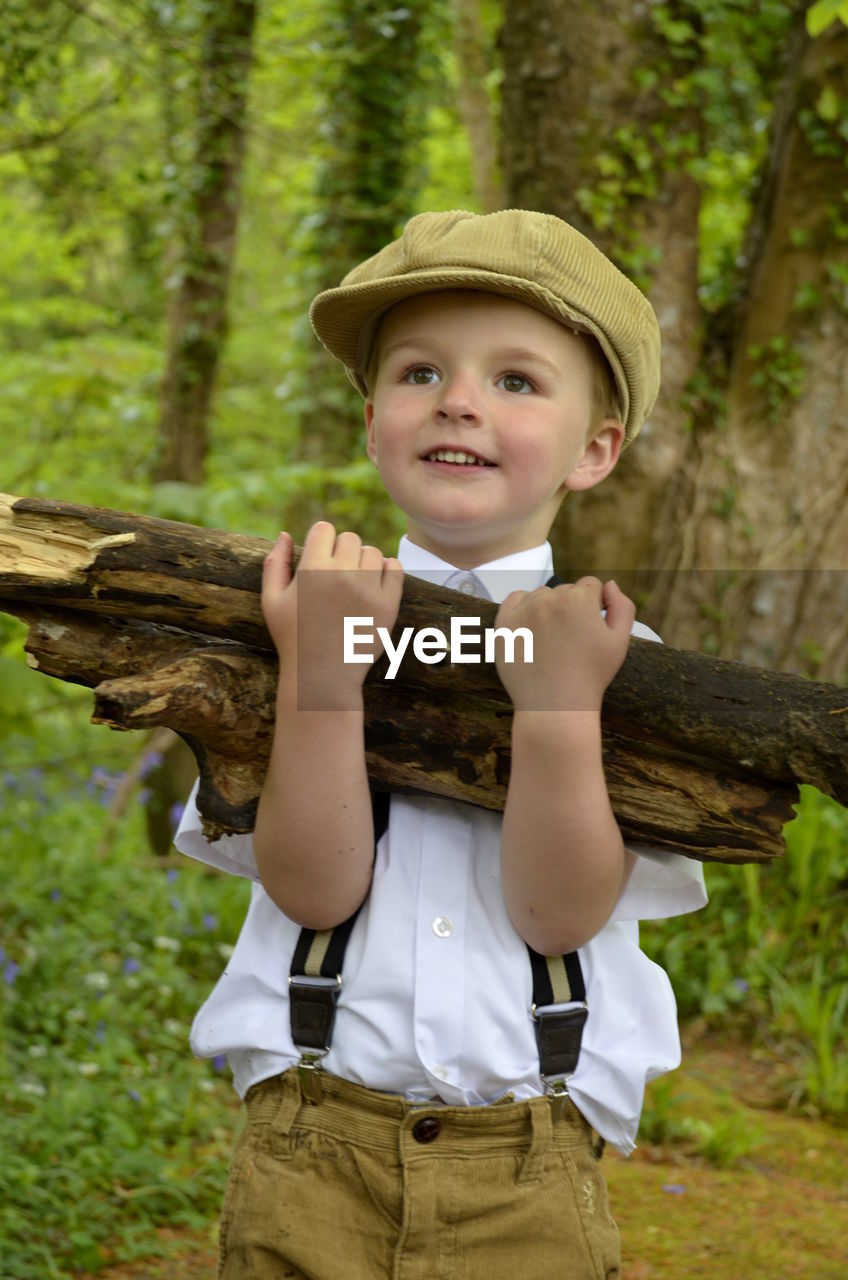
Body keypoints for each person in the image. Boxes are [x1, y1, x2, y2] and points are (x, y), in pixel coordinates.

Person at [175, 209, 707, 1279]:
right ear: (372, 419)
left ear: (594, 448)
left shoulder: (621, 653)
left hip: (528, 1167)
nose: (458, 398)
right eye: (421, 372)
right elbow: (312, 893)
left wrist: (559, 712)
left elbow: (557, 915)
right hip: (308, 1147)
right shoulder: (295, 617)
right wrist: (320, 680)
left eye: (516, 381)